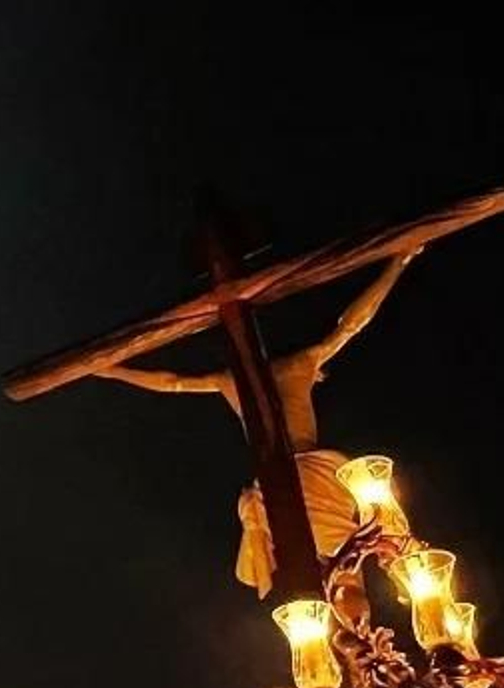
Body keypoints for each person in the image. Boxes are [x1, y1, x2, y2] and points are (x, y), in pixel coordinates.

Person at [94, 251, 420, 596]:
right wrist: (107, 369)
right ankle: (359, 612)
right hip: (289, 479)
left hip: (302, 478)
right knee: (340, 568)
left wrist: (108, 369)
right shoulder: (271, 371)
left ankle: (376, 609)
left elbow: (170, 381)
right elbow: (351, 325)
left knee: (345, 564)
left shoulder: (279, 369)